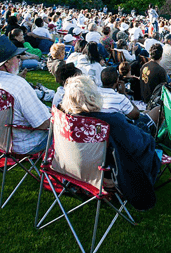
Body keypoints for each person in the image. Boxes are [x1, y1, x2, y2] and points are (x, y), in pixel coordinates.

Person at [60, 75, 160, 210]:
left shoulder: (66, 120)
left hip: (72, 166)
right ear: (93, 96)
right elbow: (137, 144)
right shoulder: (110, 121)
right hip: (100, 168)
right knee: (151, 124)